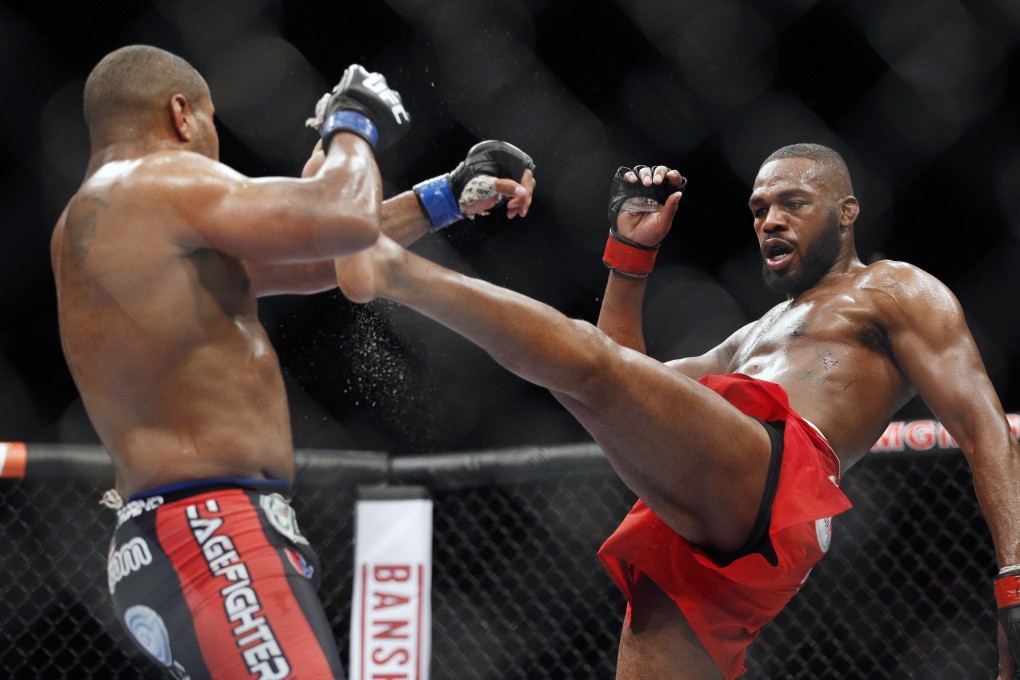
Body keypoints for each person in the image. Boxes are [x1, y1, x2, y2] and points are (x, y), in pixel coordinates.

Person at [333, 144, 1020, 679]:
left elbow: (984, 426)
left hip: (782, 476)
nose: (770, 219)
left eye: (793, 203)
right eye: (757, 208)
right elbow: (627, 389)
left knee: (583, 362)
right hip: (710, 525)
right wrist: (631, 259)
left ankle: (392, 269)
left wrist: (1014, 578)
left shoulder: (894, 289)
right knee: (585, 376)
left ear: (846, 211)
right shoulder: (751, 337)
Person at [51, 45, 535, 679]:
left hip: (182, 533)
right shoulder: (158, 179)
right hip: (212, 531)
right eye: (213, 120)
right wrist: (352, 120)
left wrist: (445, 197)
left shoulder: (107, 217)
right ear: (182, 115)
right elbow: (341, 216)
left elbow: (312, 257)